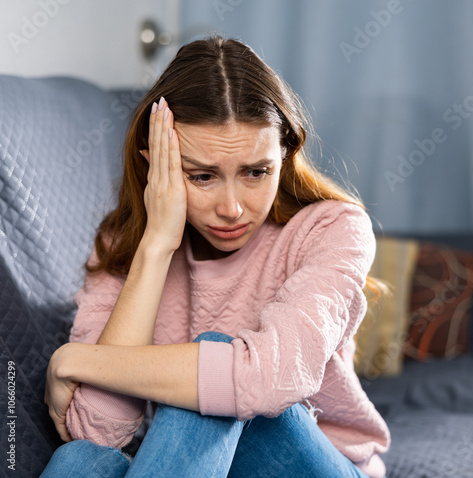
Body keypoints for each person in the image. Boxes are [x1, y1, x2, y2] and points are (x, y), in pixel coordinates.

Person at [41, 35, 390, 478]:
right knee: (80, 459)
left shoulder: (333, 229)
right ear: (157, 167)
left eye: (256, 172)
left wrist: (74, 359)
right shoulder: (123, 243)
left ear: (285, 153)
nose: (232, 208)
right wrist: (155, 248)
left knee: (214, 381)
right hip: (195, 465)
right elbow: (98, 430)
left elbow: (265, 381)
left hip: (314, 462)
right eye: (202, 176)